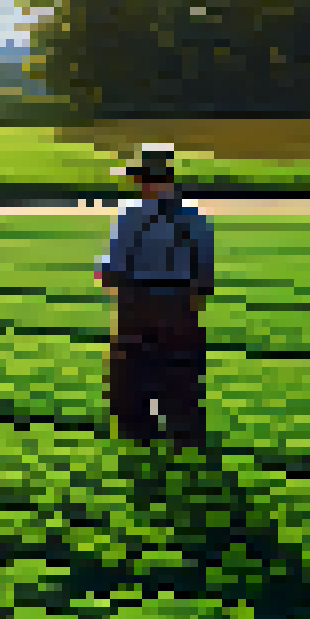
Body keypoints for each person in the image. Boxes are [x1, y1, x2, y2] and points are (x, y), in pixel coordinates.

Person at [93, 143, 215, 450]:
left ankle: (141, 442)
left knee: (131, 380)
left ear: (143, 180)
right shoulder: (195, 215)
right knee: (183, 378)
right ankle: (186, 439)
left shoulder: (130, 215)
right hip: (182, 307)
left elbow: (112, 271)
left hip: (138, 306)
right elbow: (206, 274)